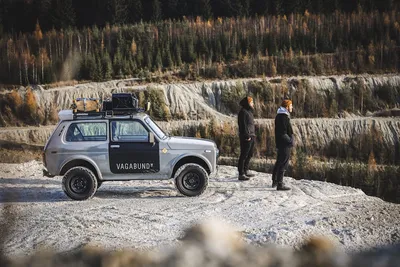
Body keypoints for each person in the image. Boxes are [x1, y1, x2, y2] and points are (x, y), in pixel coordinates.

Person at [272, 99, 294, 190]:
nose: (292, 107)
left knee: (279, 161)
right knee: (283, 163)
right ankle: (280, 184)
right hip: (284, 143)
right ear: (287, 106)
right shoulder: (283, 117)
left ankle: (275, 180)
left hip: (282, 143)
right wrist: (290, 141)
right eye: (291, 105)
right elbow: (283, 133)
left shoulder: (281, 115)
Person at [237, 96, 256, 181]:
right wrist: (246, 136)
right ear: (247, 103)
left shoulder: (249, 112)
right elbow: (243, 126)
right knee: (244, 155)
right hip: (246, 137)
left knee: (250, 154)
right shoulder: (243, 112)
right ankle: (241, 173)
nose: (253, 104)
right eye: (251, 102)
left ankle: (246, 170)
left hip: (252, 135)